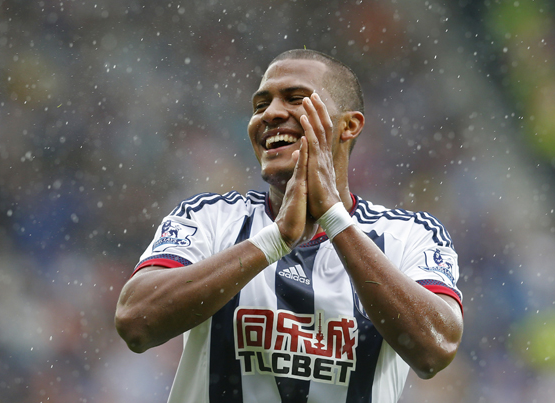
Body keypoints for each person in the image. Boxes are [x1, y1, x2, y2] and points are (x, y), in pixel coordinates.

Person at [115, 49, 463, 403]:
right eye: (260, 105)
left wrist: (334, 217)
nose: (271, 113)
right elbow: (135, 321)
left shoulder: (409, 235)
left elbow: (434, 349)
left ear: (349, 125)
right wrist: (273, 241)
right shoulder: (208, 218)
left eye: (295, 98)